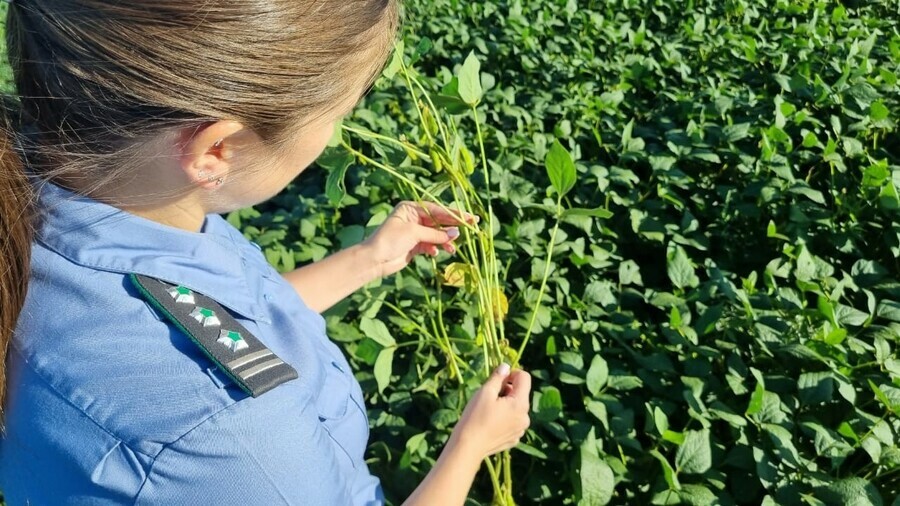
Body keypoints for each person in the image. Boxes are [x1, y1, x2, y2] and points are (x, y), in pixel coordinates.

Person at [0, 2, 532, 505]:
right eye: (336, 115)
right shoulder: (236, 439)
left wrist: (368, 258)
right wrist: (472, 448)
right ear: (216, 150)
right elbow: (217, 375)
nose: (333, 134)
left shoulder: (95, 198)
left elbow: (214, 325)